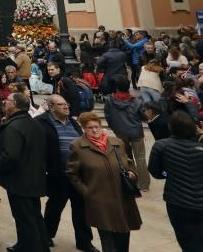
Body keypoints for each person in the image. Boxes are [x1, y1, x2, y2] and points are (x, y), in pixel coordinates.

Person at [66, 112, 141, 252]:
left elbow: (129, 162)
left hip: (122, 197)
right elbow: (72, 173)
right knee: (108, 239)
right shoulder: (77, 146)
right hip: (100, 201)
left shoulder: (116, 143)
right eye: (90, 128)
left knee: (124, 234)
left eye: (97, 126)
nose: (95, 130)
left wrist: (133, 173)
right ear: (83, 129)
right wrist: (87, 192)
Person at [35, 95, 95, 252]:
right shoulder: (41, 122)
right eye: (61, 105)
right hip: (57, 174)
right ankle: (46, 235)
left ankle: (84, 242)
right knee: (55, 207)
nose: (66, 107)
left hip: (77, 174)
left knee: (81, 208)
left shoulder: (72, 122)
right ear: (51, 107)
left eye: (66, 104)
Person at [0, 92, 49, 252]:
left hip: (20, 180)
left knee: (26, 220)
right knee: (34, 217)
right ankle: (28, 246)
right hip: (34, 178)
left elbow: (11, 154)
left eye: (7, 101)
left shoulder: (14, 126)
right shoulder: (34, 123)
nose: (4, 102)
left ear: (14, 104)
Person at [148, 111, 203, 251]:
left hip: (178, 201)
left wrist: (170, 174)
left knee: (186, 239)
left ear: (171, 127)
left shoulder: (161, 146)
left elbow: (155, 172)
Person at [103, 76, 149, 191]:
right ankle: (144, 184)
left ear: (117, 87)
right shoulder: (137, 101)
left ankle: (130, 180)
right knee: (140, 157)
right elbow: (144, 117)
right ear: (128, 86)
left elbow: (108, 116)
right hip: (136, 131)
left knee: (126, 157)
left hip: (120, 131)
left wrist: (114, 127)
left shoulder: (109, 100)